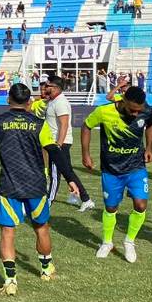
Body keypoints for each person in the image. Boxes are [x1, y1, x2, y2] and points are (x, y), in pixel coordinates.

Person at [0, 83, 65, 296]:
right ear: (29, 102)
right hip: (36, 184)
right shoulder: (39, 123)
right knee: (41, 227)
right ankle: (46, 269)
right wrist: (70, 178)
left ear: (8, 99)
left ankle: (11, 281)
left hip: (9, 185)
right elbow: (54, 151)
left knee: (8, 232)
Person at [82, 86, 152, 262]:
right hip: (111, 169)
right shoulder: (104, 111)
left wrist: (150, 147)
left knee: (140, 205)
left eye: (139, 111)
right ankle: (107, 242)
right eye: (132, 110)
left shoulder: (146, 110)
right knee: (111, 208)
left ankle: (129, 241)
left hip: (136, 166)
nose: (136, 114)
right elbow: (86, 126)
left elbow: (151, 124)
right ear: (123, 100)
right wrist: (86, 154)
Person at [44, 76, 94, 211]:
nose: (45, 87)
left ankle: (47, 203)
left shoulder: (60, 102)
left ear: (56, 88)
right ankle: (86, 199)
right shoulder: (53, 100)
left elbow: (64, 125)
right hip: (55, 142)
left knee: (55, 175)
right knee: (68, 172)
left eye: (48, 85)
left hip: (59, 143)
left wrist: (58, 145)